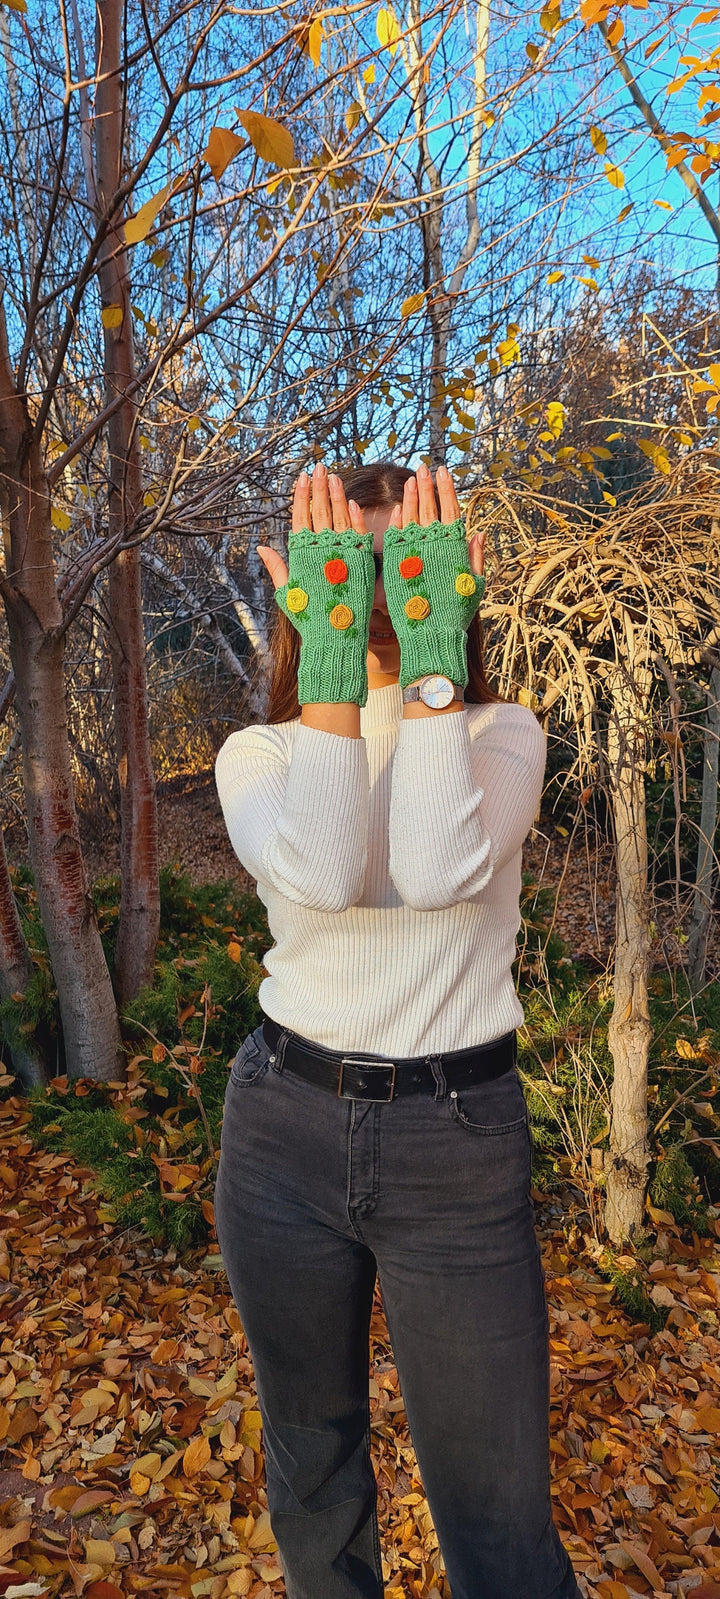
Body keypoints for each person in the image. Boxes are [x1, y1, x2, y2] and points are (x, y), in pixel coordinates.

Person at [214, 459, 580, 1599]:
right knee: (312, 1473)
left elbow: (430, 872)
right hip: (282, 1127)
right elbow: (323, 874)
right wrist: (326, 664)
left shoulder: (500, 733)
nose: (378, 590)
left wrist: (426, 667)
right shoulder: (260, 754)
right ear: (303, 588)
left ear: (454, 583)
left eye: (406, 565)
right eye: (354, 567)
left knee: (498, 1515)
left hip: (454, 1141)